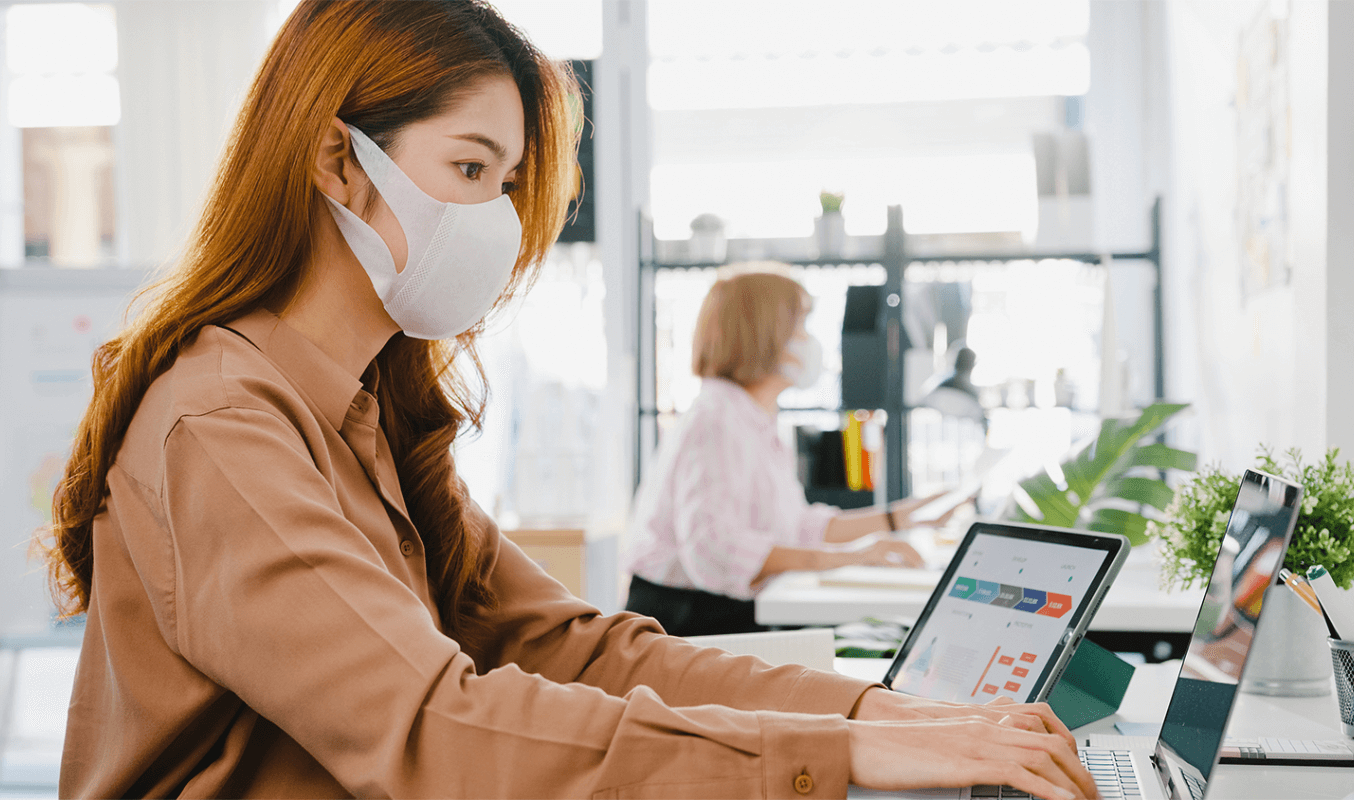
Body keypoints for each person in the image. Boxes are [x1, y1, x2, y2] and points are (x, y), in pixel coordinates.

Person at [40, 3, 1096, 798]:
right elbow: (432, 728)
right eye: (468, 166)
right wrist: (845, 750)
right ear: (336, 162)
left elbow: (579, 647)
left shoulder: (367, 415)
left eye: (505, 180)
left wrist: (888, 712)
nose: (497, 220)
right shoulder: (222, 422)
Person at [623, 268, 961, 637]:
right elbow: (714, 549)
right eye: (800, 327)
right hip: (685, 618)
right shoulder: (717, 419)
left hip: (715, 609)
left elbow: (796, 526)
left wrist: (897, 519)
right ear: (763, 335)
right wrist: (854, 557)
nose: (808, 342)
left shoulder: (754, 418)